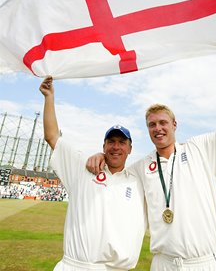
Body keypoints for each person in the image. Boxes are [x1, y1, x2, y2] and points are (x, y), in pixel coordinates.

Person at [87, 47, 216, 271]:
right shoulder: (140, 168)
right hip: (163, 263)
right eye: (152, 125)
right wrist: (102, 154)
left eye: (162, 123)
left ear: (174, 125)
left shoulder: (201, 149)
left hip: (205, 261)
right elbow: (116, 168)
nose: (157, 129)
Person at [39, 76, 147, 271]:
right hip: (76, 266)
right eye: (111, 142)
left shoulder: (138, 180)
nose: (116, 147)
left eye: (122, 142)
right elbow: (52, 137)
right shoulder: (82, 167)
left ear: (130, 149)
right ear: (103, 146)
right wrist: (49, 97)